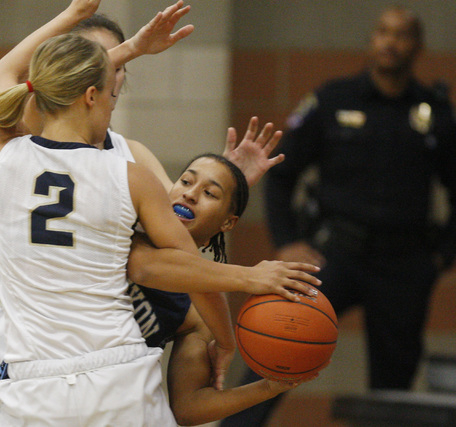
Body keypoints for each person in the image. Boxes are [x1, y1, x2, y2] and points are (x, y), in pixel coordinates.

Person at [0, 1, 321, 425]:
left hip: (31, 377)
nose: (115, 98)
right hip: (110, 368)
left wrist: (72, 12)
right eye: (109, 85)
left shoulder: (8, 158)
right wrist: (236, 315)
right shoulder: (129, 176)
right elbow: (183, 265)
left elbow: (3, 74)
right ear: (92, 93)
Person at [222, 6, 456, 426]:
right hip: (335, 253)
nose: (390, 42)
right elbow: (282, 174)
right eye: (383, 32)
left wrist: (441, 258)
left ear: (417, 46)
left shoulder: (434, 112)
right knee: (279, 343)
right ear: (372, 40)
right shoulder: (333, 99)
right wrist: (288, 241)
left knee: (393, 389)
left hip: (404, 265)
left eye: (402, 35)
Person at [128, 153, 325, 426]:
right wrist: (251, 276)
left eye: (209, 193)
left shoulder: (202, 312)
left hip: (117, 399)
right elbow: (143, 266)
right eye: (185, 181)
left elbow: (187, 407)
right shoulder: (126, 224)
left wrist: (269, 387)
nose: (190, 194)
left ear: (228, 223)